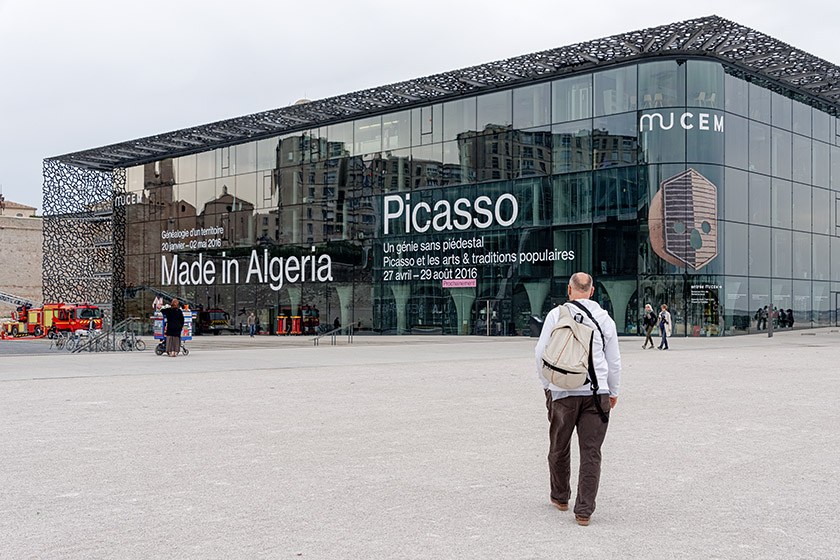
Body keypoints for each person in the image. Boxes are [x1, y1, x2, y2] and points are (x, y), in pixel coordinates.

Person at [535, 272, 621, 526]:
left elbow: (540, 352)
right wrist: (612, 391)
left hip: (561, 390)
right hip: (596, 394)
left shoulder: (556, 314)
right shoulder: (605, 319)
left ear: (569, 290)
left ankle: (560, 497)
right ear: (592, 291)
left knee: (558, 447)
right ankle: (584, 511)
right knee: (591, 452)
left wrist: (547, 386)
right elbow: (614, 361)